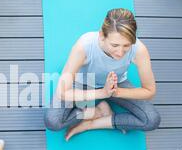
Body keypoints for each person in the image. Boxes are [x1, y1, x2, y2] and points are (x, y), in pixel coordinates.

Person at [44, 8, 161, 141]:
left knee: (152, 120)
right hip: (83, 82)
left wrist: (116, 92)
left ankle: (93, 123)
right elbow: (62, 92)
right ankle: (97, 111)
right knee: (52, 121)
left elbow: (150, 91)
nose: (120, 52)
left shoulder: (139, 50)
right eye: (115, 45)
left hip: (116, 85)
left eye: (126, 46)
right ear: (102, 36)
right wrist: (103, 93)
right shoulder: (84, 45)